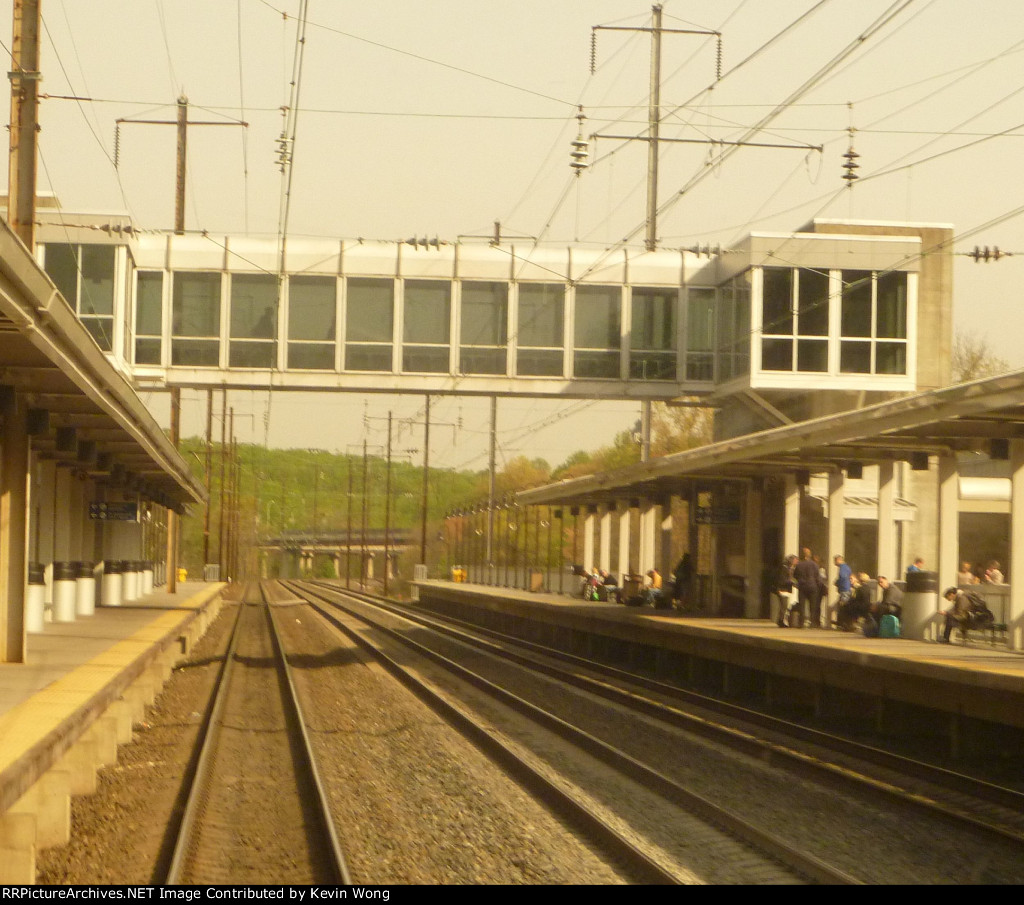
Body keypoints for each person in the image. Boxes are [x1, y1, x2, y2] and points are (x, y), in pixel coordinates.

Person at [791, 547, 821, 628]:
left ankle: (801, 623)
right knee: (813, 606)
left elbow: (795, 575)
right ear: (810, 555)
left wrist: (800, 580)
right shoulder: (814, 565)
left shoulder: (799, 565)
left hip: (802, 586)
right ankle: (812, 623)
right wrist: (818, 586)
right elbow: (817, 577)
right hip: (813, 586)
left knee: (802, 605)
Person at [772, 554, 797, 627]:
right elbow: (782, 580)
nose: (796, 562)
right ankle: (781, 620)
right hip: (782, 590)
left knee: (785, 606)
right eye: (795, 560)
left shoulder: (790, 568)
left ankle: (782, 620)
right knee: (784, 605)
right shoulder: (784, 568)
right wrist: (791, 582)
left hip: (786, 590)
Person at [832, 554, 853, 628]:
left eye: (835, 561)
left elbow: (843, 577)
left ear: (839, 560)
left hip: (844, 589)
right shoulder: (846, 567)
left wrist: (837, 582)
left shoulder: (843, 567)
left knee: (843, 606)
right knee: (842, 606)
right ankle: (842, 623)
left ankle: (843, 624)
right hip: (846, 589)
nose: (834, 563)